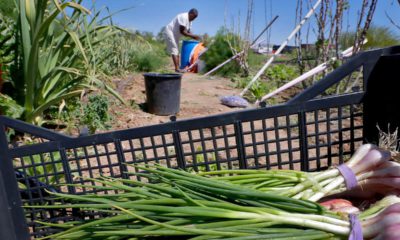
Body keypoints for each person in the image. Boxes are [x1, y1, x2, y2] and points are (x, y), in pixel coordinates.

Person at [165, 9, 201, 73]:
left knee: (177, 51)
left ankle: (178, 68)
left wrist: (195, 36)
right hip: (170, 32)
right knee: (174, 49)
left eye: (195, 18)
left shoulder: (190, 21)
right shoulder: (184, 17)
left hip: (176, 35)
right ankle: (177, 69)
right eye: (194, 17)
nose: (194, 19)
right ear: (190, 14)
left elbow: (188, 31)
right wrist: (193, 36)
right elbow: (183, 32)